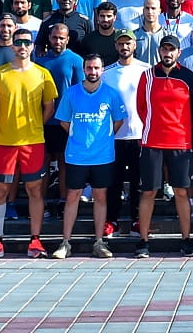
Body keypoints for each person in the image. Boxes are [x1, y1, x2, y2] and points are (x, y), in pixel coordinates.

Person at [0, 30, 58, 258]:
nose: (22, 46)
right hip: (4, 141)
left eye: (27, 42)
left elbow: (49, 108)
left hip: (33, 141)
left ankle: (35, 241)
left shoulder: (43, 74)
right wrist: (5, 126)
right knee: (0, 190)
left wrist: (34, 125)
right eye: (18, 42)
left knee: (35, 190)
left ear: (32, 45)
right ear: (13, 46)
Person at [52, 53, 129, 258]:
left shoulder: (111, 94)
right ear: (84, 69)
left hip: (103, 155)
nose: (92, 72)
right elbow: (64, 121)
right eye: (89, 68)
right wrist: (79, 136)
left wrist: (102, 137)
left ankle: (99, 242)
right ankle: (65, 243)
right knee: (72, 196)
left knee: (100, 197)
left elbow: (118, 121)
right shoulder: (71, 93)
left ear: (102, 70)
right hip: (76, 154)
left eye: (96, 68)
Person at [136, 35, 193, 257]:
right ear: (159, 52)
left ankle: (186, 240)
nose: (167, 53)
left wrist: (180, 128)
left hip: (180, 142)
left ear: (178, 53)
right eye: (164, 49)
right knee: (148, 192)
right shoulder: (147, 76)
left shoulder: (188, 77)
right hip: (152, 141)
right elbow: (141, 108)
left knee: (182, 192)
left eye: (171, 50)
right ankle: (143, 242)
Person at [101, 31, 150, 241]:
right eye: (120, 44)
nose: (124, 47)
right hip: (115, 137)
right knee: (114, 182)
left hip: (140, 134)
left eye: (128, 43)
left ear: (134, 45)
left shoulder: (146, 70)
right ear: (115, 46)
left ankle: (138, 220)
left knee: (139, 181)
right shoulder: (107, 72)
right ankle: (111, 221)